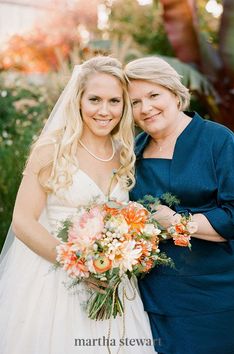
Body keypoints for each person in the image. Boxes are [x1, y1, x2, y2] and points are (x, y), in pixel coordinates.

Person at [0, 56, 156, 354]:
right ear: (78, 100)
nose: (104, 110)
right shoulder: (52, 151)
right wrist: (78, 266)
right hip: (53, 281)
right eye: (94, 99)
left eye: (114, 101)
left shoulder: (126, 154)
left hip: (112, 283)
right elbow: (23, 221)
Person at [124, 56, 234, 354]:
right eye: (135, 102)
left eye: (153, 95)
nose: (146, 108)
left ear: (175, 93)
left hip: (213, 298)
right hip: (153, 298)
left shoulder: (218, 141)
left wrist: (177, 222)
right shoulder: (134, 151)